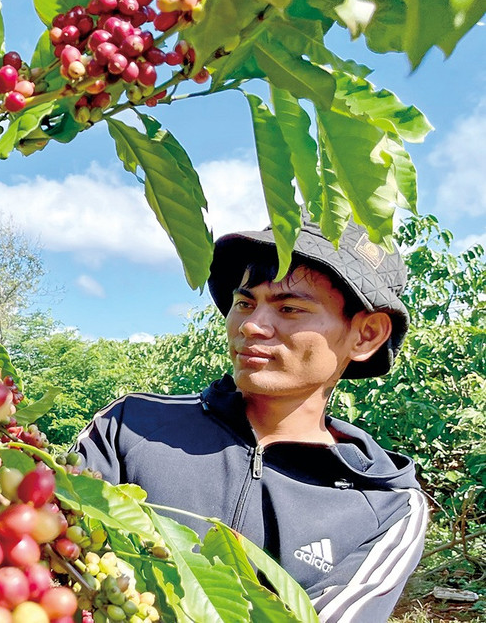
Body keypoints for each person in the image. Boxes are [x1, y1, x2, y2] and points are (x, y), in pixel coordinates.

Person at [72, 218, 428, 622]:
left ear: (365, 335)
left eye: (290, 308)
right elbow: (53, 548)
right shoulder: (129, 426)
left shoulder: (387, 506)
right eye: (244, 303)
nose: (252, 326)